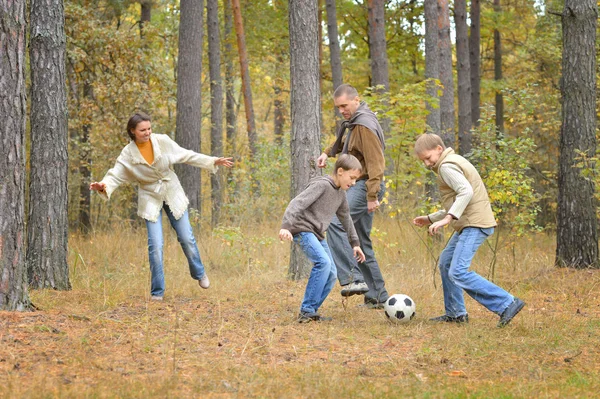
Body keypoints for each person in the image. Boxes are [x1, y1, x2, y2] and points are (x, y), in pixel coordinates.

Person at [90, 112, 233, 301]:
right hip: (149, 196)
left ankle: (199, 273)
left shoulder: (162, 141)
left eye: (149, 128)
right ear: (132, 131)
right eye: (142, 130)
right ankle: (157, 292)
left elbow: (186, 155)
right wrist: (104, 185)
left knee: (186, 237)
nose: (147, 132)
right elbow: (115, 174)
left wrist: (212, 160)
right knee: (155, 245)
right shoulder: (127, 154)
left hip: (171, 190)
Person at [412, 133, 525, 327]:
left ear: (439, 149)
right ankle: (456, 313)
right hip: (470, 222)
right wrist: (431, 218)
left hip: (475, 223)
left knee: (457, 271)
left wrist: (448, 218)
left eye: (428, 158)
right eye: (423, 160)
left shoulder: (447, 166)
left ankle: (507, 303)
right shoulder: (451, 162)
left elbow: (466, 192)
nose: (427, 164)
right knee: (446, 264)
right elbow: (460, 199)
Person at [316, 84, 389, 308]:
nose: (342, 110)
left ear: (356, 100)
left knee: (337, 223)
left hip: (365, 185)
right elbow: (346, 148)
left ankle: (353, 279)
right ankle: (377, 296)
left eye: (345, 106)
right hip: (364, 186)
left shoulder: (364, 125)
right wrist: (327, 153)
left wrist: (372, 195)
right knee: (362, 240)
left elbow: (376, 163)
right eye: (338, 107)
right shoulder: (355, 123)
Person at [279, 154, 366, 323]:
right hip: (302, 229)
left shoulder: (340, 193)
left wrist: (355, 244)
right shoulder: (321, 185)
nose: (353, 183)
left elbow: (346, 218)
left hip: (317, 234)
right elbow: (296, 203)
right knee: (323, 263)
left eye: (356, 180)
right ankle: (306, 310)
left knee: (332, 273)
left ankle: (311, 311)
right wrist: (286, 227)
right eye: (352, 178)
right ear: (340, 171)